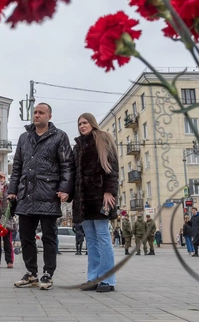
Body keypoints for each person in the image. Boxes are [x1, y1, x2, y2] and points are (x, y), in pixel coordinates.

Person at [9, 103, 74, 290]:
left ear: (49, 116)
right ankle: (31, 273)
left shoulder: (60, 137)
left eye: (41, 113)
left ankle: (47, 273)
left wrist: (65, 189)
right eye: (35, 112)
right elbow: (17, 167)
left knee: (49, 237)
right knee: (26, 237)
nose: (36, 115)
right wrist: (13, 190)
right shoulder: (24, 138)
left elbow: (67, 166)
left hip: (48, 193)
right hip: (26, 195)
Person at [71, 112, 119, 293]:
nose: (82, 126)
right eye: (79, 124)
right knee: (90, 240)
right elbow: (74, 174)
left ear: (92, 123)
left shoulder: (103, 139)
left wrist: (109, 191)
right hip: (83, 199)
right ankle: (93, 278)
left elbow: (112, 167)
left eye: (84, 123)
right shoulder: (78, 146)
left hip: (100, 196)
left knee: (103, 237)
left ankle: (108, 280)